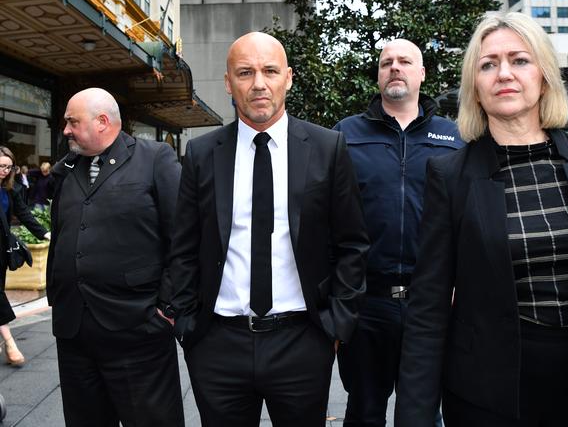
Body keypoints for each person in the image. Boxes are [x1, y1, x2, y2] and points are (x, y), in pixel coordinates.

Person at [395, 12, 568, 427]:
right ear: (475, 89)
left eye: (520, 60)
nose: (504, 74)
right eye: (488, 64)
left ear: (544, 75)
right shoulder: (449, 176)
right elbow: (429, 306)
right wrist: (415, 416)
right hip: (493, 395)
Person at [169, 32, 369, 427]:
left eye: (269, 71)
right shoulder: (202, 153)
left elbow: (352, 243)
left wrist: (335, 325)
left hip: (302, 341)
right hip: (217, 343)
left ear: (288, 78)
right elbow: (184, 245)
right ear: (229, 83)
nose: (258, 83)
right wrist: (188, 324)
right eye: (245, 72)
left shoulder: (329, 148)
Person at [334, 39, 462, 427]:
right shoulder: (345, 134)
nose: (395, 67)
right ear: (378, 75)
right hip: (367, 301)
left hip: (433, 301)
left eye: (405, 61)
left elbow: (469, 217)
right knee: (364, 410)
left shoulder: (455, 137)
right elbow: (326, 214)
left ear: (422, 74)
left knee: (423, 412)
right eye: (386, 62)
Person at [47, 88, 184, 427]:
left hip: (137, 330)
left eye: (72, 122)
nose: (65, 130)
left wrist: (166, 308)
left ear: (103, 122)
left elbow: (183, 235)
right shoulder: (67, 169)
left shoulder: (155, 158)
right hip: (74, 332)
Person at [0, 146, 49, 366]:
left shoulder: (10, 190)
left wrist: (45, 234)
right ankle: (10, 342)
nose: (5, 170)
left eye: (8, 167)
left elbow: (24, 214)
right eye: (1, 166)